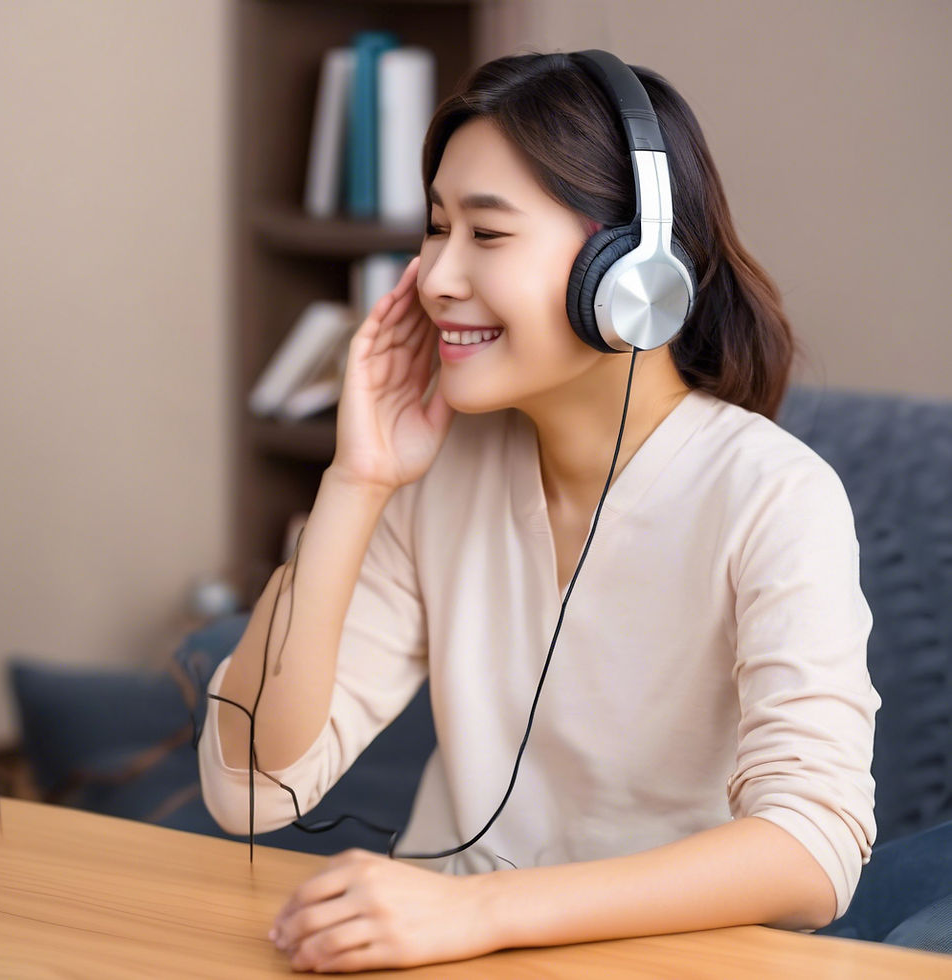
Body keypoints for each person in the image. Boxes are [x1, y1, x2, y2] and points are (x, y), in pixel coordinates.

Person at [198, 50, 879, 972]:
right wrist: (355, 483)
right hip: (440, 954)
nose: (435, 278)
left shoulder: (773, 494)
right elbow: (251, 789)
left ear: (627, 271)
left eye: (486, 234)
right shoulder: (434, 475)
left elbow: (814, 849)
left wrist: (483, 912)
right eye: (435, 229)